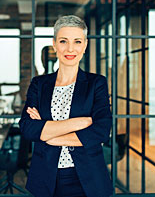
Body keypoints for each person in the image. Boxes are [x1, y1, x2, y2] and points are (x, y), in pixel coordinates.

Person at [19, 15, 114, 197]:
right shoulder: (39, 84)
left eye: (77, 41)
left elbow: (101, 131)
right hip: (46, 177)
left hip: (88, 179)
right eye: (63, 41)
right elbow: (28, 128)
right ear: (54, 44)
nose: (70, 48)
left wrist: (50, 136)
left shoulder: (97, 83)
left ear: (85, 46)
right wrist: (80, 123)